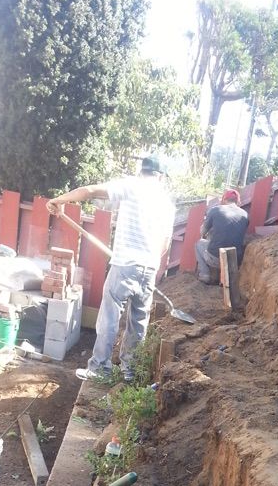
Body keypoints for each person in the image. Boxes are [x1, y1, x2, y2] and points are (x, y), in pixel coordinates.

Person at [47, 156, 175, 381]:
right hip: (149, 268)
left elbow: (89, 191)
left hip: (125, 265)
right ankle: (130, 372)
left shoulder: (132, 186)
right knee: (138, 322)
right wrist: (149, 261)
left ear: (142, 171)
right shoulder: (167, 204)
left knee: (109, 317)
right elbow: (165, 245)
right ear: (161, 176)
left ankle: (100, 368)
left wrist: (60, 199)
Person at [195, 189, 249, 285]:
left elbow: (203, 232)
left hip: (215, 259)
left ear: (224, 199)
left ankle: (205, 275)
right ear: (238, 201)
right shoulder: (245, 214)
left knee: (199, 244)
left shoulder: (216, 210)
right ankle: (223, 278)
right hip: (234, 261)